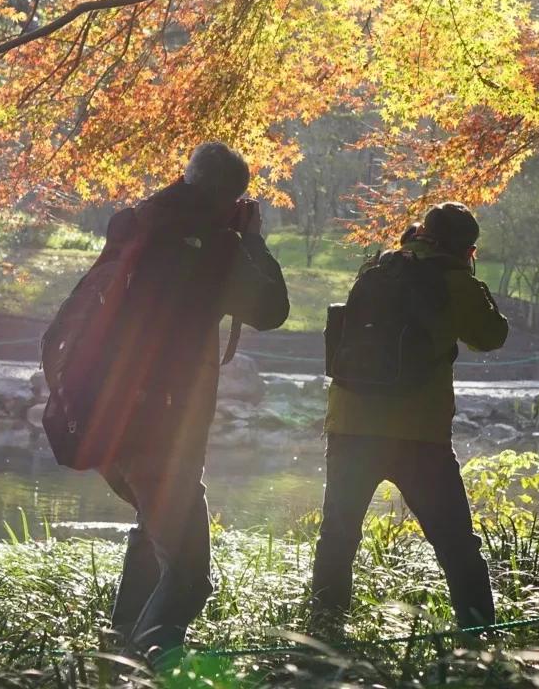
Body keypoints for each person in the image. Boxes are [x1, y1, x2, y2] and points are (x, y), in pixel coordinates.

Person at [93, 142, 290, 659]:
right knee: (188, 580)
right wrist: (253, 241)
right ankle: (144, 669)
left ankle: (114, 661)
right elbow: (272, 308)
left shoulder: (140, 225)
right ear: (228, 198)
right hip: (162, 435)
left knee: (152, 544)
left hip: (105, 421)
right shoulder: (209, 249)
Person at [310, 202, 509, 630]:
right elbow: (492, 336)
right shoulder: (455, 281)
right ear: (466, 249)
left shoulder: (377, 269)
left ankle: (323, 635)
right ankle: (478, 638)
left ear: (421, 233)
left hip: (350, 425)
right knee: (456, 543)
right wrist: (474, 282)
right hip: (418, 436)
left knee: (338, 540)